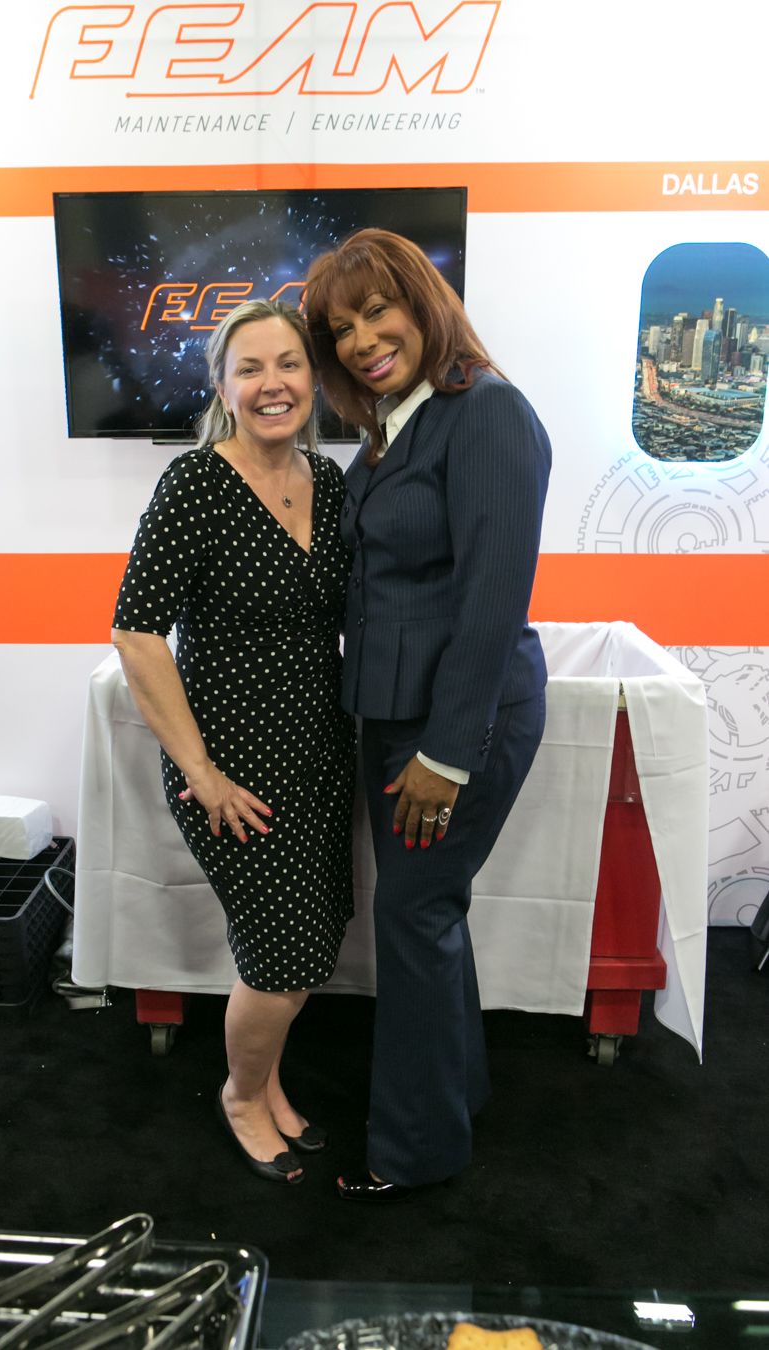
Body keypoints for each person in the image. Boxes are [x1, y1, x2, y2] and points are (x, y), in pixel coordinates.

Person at [304, 229, 551, 1202]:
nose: (363, 340)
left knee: (413, 913)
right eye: (342, 329)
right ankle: (455, 1097)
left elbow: (494, 598)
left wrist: (448, 755)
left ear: (423, 303)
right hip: (393, 715)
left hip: (454, 722)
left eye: (378, 311)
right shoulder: (393, 426)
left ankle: (412, 1154)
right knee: (425, 912)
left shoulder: (486, 412)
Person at [111, 298, 356, 1185]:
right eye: (249, 368)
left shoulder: (331, 483)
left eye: (288, 364)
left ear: (313, 379)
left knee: (313, 938)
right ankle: (242, 1097)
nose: (271, 384)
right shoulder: (195, 484)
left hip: (321, 757)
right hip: (235, 776)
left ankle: (271, 1084)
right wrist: (203, 774)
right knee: (282, 956)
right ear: (222, 387)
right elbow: (137, 634)